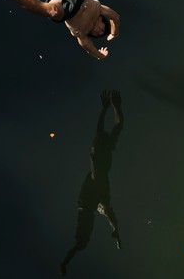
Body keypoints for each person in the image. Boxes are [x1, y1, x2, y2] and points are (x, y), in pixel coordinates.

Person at [60, 90, 124, 276]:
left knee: (87, 234)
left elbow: (115, 127)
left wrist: (111, 108)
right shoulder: (100, 151)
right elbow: (112, 127)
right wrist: (111, 108)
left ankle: (114, 231)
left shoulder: (102, 150)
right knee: (101, 217)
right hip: (95, 190)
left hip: (93, 192)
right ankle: (114, 231)